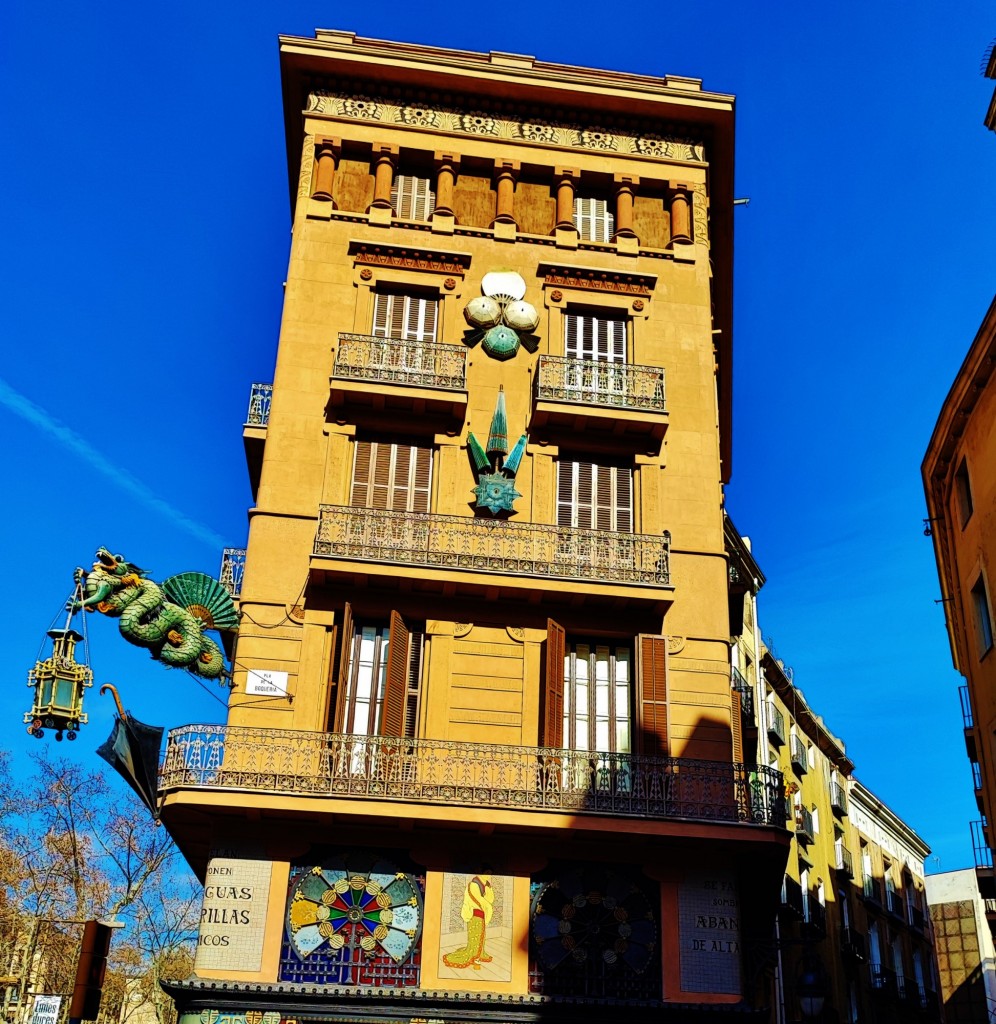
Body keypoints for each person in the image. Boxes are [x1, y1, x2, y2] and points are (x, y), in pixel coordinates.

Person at [442, 874, 494, 970]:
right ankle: (475, 959)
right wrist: (488, 907)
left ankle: (477, 956)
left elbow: (490, 899)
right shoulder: (474, 884)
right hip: (474, 913)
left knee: (481, 937)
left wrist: (488, 889)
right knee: (475, 937)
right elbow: (479, 900)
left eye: (490, 873)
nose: (489, 876)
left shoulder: (486, 885)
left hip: (482, 913)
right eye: (487, 873)